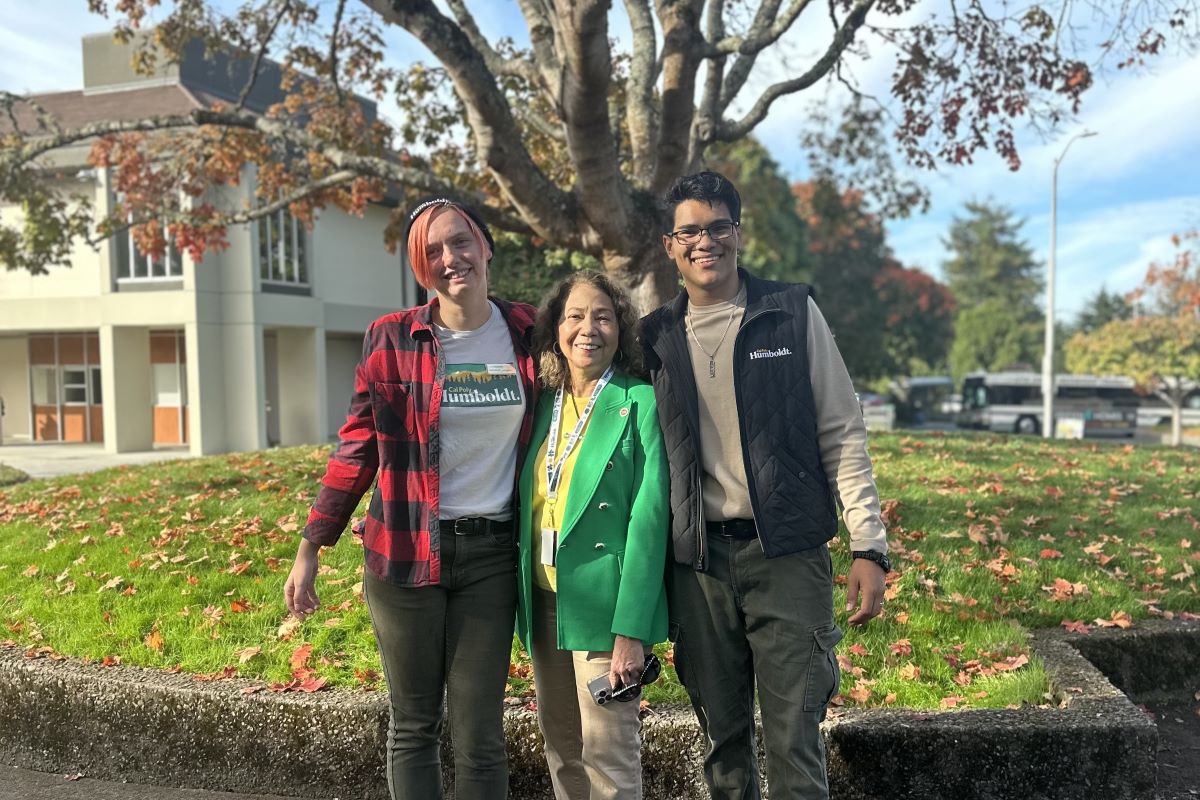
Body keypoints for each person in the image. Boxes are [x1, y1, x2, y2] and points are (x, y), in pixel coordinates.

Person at [640, 171, 890, 800]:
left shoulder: (791, 311)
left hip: (787, 556)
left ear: (738, 234)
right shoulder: (654, 338)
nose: (705, 242)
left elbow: (842, 430)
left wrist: (869, 546)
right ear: (670, 245)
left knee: (793, 740)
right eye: (689, 231)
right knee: (722, 747)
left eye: (718, 227)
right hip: (697, 566)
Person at [284, 198, 538, 800]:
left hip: (492, 557)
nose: (452, 259)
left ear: (485, 245)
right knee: (414, 725)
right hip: (403, 555)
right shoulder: (390, 337)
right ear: (421, 268)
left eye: (461, 241)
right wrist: (310, 543)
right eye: (433, 252)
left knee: (481, 734)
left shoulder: (530, 329)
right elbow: (357, 449)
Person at [515, 271, 670, 800]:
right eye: (575, 316)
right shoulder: (541, 403)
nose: (589, 328)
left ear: (620, 328)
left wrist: (632, 630)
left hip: (607, 609)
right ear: (556, 328)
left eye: (602, 316)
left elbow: (649, 524)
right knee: (562, 752)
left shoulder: (640, 403)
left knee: (609, 762)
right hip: (545, 602)